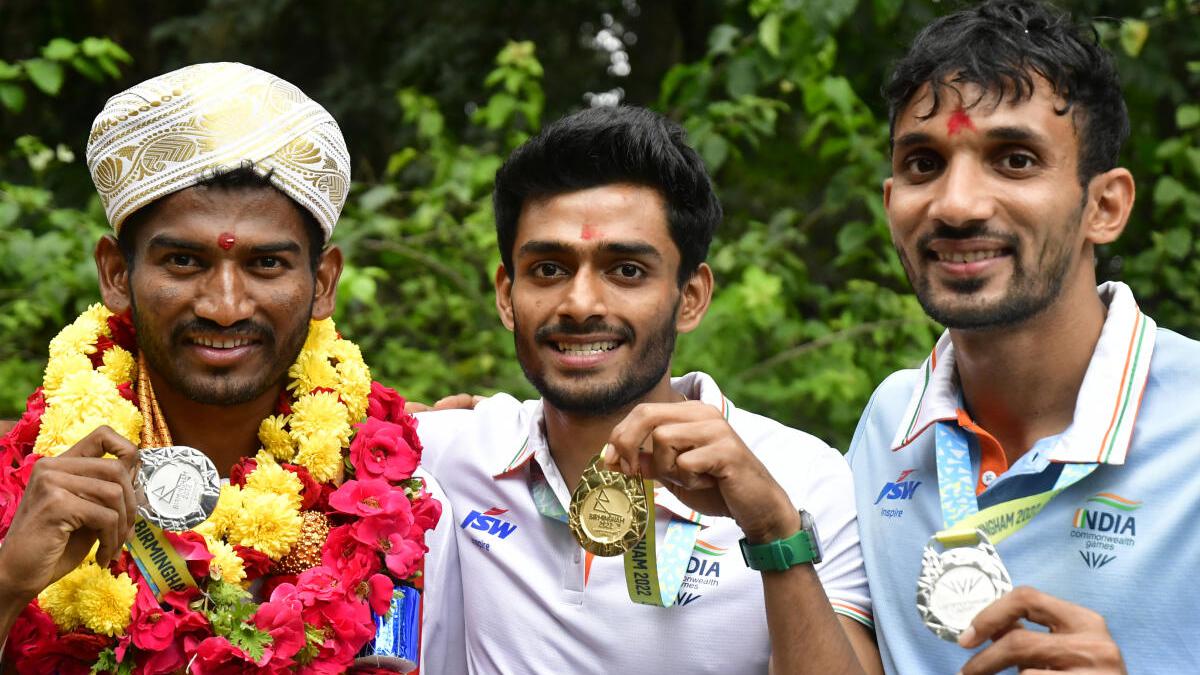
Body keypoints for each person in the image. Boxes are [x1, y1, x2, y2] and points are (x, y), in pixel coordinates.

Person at [0, 63, 443, 673]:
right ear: (116, 274)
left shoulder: (409, 488)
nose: (226, 307)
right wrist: (6, 586)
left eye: (266, 264)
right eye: (183, 261)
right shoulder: (28, 490)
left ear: (322, 283)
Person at [416, 105, 882, 674]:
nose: (580, 304)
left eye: (627, 271)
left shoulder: (803, 477)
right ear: (506, 294)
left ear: (691, 297)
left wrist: (771, 532)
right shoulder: (441, 456)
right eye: (548, 269)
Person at [847, 1, 1200, 673]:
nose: (956, 205)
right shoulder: (887, 425)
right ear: (891, 202)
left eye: (1014, 159)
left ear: (1105, 206)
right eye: (924, 163)